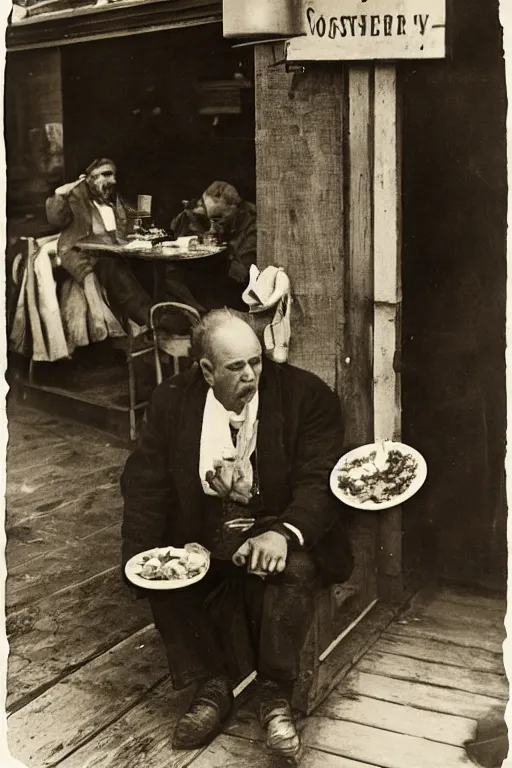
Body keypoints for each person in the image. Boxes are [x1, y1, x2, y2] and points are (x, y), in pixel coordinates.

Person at [121, 309, 353, 760]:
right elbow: (144, 481)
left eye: (257, 362)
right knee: (165, 571)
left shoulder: (306, 395)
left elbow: (321, 477)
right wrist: (141, 558)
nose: (251, 375)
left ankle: (274, 694)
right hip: (203, 530)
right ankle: (211, 686)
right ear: (206, 370)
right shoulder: (171, 400)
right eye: (236, 367)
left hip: (276, 521)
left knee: (295, 567)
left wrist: (285, 532)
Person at [46, 158, 156, 329]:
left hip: (112, 251)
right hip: (82, 254)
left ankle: (155, 319)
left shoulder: (113, 203)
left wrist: (140, 235)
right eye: (106, 174)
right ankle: (150, 317)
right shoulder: (74, 199)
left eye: (114, 176)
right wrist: (60, 194)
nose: (113, 180)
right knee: (113, 266)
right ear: (89, 177)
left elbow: (125, 228)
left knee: (145, 266)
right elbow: (55, 219)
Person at [164, 181, 257, 313]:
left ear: (235, 207)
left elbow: (241, 275)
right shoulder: (226, 219)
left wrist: (222, 251)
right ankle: (198, 313)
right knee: (171, 274)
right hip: (218, 284)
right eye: (211, 219)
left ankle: (202, 314)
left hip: (239, 295)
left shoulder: (254, 225)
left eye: (219, 218)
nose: (214, 224)